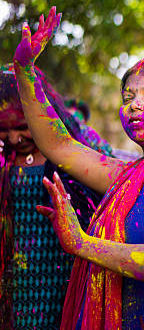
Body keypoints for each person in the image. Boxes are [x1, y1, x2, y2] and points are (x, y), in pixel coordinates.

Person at [11, 7, 144, 330]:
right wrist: (25, 72)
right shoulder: (134, 174)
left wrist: (83, 244)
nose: (135, 104)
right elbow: (60, 146)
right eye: (128, 97)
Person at [0, 63, 107, 330]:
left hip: (65, 277)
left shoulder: (78, 143)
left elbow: (118, 184)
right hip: (12, 285)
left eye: (23, 126)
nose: (13, 138)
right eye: (3, 128)